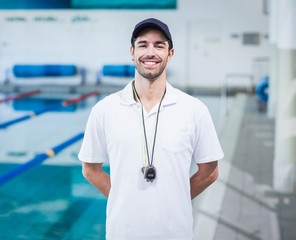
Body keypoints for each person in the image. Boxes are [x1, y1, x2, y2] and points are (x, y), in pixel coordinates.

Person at [78, 18, 224, 240]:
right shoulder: (105, 110)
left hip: (175, 233)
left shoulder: (194, 110)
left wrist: (176, 201)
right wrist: (125, 201)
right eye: (143, 44)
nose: (151, 52)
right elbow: (90, 169)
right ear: (132, 52)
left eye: (159, 45)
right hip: (123, 233)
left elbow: (210, 172)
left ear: (170, 53)